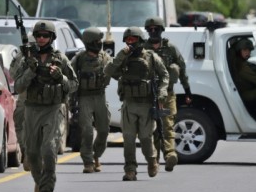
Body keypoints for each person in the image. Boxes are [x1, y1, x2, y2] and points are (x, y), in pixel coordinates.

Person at [13, 20, 78, 192]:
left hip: (52, 109)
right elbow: (18, 86)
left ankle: (47, 191)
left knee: (49, 150)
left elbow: (74, 85)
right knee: (32, 153)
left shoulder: (60, 59)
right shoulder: (27, 59)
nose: (41, 39)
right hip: (32, 109)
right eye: (38, 36)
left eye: (45, 36)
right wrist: (30, 72)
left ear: (51, 38)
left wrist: (61, 77)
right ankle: (40, 182)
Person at [104, 26, 169, 181]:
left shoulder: (152, 57)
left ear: (140, 40)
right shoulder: (123, 57)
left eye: (133, 39)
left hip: (146, 104)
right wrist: (121, 55)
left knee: (146, 138)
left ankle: (152, 159)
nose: (130, 42)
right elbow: (108, 70)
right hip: (129, 104)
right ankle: (130, 170)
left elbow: (164, 75)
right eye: (127, 39)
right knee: (128, 138)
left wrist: (162, 93)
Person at [143, 16, 192, 172]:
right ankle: (155, 159)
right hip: (149, 96)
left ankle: (170, 154)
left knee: (167, 125)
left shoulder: (170, 48)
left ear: (161, 30)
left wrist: (187, 90)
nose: (153, 32)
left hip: (168, 94)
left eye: (156, 29)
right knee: (153, 128)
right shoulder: (143, 49)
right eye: (150, 30)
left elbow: (182, 69)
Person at [71, 27, 112, 173]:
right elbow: (70, 78)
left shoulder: (105, 58)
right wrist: (70, 102)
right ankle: (88, 161)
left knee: (103, 131)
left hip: (100, 97)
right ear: (89, 42)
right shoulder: (79, 59)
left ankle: (96, 155)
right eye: (97, 41)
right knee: (87, 131)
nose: (100, 43)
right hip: (85, 98)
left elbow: (115, 70)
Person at [232, 38, 256, 124]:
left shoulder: (240, 62)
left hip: (245, 90)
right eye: (245, 50)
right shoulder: (241, 66)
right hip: (245, 93)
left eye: (249, 50)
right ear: (239, 51)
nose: (248, 53)